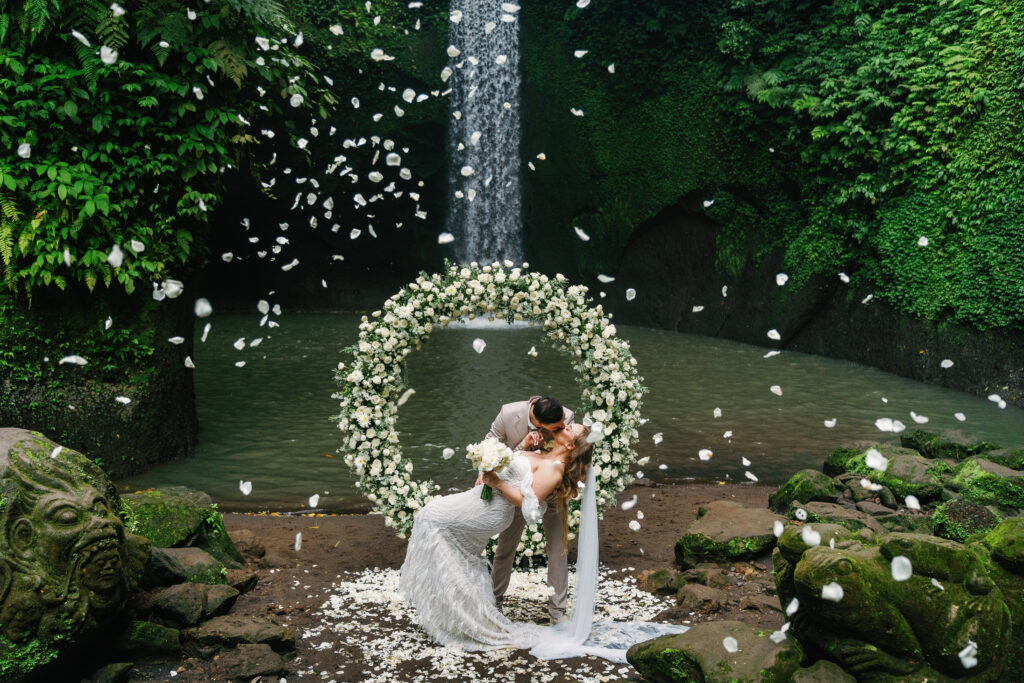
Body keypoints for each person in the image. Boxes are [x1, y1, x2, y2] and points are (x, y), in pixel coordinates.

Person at [399, 423, 592, 650]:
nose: (566, 425)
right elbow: (513, 468)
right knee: (449, 541)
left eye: (571, 429)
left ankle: (466, 612)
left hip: (492, 510)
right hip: (481, 498)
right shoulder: (543, 452)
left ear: (570, 445)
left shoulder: (555, 469)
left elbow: (527, 503)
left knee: (431, 519)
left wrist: (496, 483)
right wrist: (509, 452)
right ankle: (459, 610)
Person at [484, 396, 575, 624]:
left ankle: (557, 612)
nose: (563, 428)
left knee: (558, 548)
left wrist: (558, 483)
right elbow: (490, 449)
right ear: (542, 425)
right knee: (506, 547)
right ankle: (494, 604)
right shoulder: (508, 413)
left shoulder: (566, 416)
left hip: (553, 493)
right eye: (558, 428)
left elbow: (571, 457)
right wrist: (522, 445)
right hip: (517, 493)